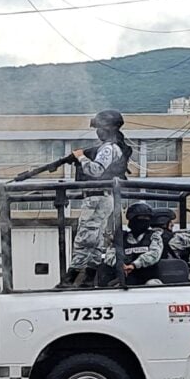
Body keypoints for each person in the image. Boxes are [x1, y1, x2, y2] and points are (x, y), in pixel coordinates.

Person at [60, 110, 131, 286]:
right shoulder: (116, 147)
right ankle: (89, 277)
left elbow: (96, 170)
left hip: (98, 197)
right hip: (105, 198)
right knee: (95, 239)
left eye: (100, 127)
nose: (98, 131)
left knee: (85, 237)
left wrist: (81, 157)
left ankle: (70, 278)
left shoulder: (108, 148)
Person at [97, 202, 165, 286]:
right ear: (132, 220)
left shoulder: (155, 236)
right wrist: (120, 265)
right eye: (140, 218)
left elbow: (154, 254)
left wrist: (134, 265)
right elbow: (109, 255)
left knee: (154, 285)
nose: (143, 222)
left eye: (147, 219)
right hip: (125, 279)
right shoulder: (121, 238)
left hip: (149, 278)